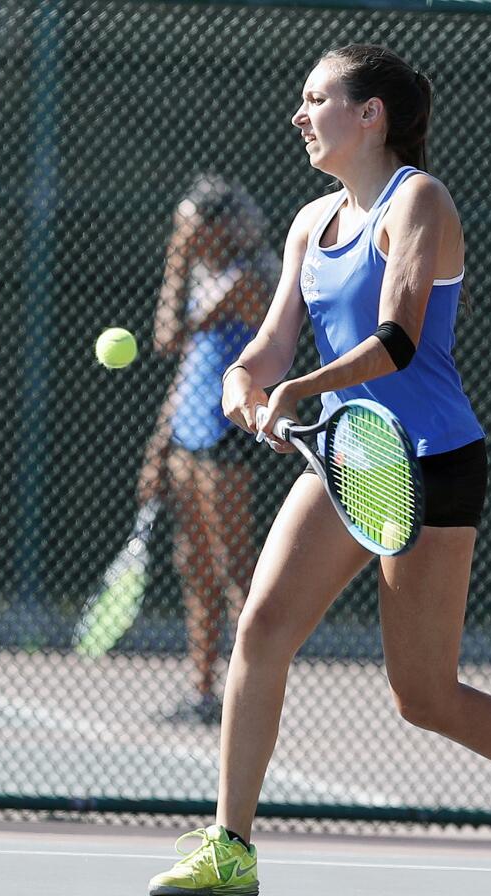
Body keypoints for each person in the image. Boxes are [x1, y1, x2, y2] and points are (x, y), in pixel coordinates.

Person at [148, 45, 491, 896]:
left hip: (433, 458)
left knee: (424, 694)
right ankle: (231, 846)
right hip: (349, 456)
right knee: (260, 627)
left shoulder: (420, 201)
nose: (299, 116)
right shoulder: (307, 223)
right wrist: (241, 380)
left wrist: (294, 390)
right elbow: (271, 341)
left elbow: (398, 337)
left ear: (369, 114)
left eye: (315, 99)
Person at [137, 174, 278, 724]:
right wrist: (159, 445)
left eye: (189, 227)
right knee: (192, 563)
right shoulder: (207, 273)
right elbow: (186, 368)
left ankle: (249, 694)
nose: (183, 236)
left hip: (226, 438)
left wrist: (175, 260)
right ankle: (203, 692)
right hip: (186, 435)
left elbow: (168, 336)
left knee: (233, 570)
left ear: (216, 228)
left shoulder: (244, 277)